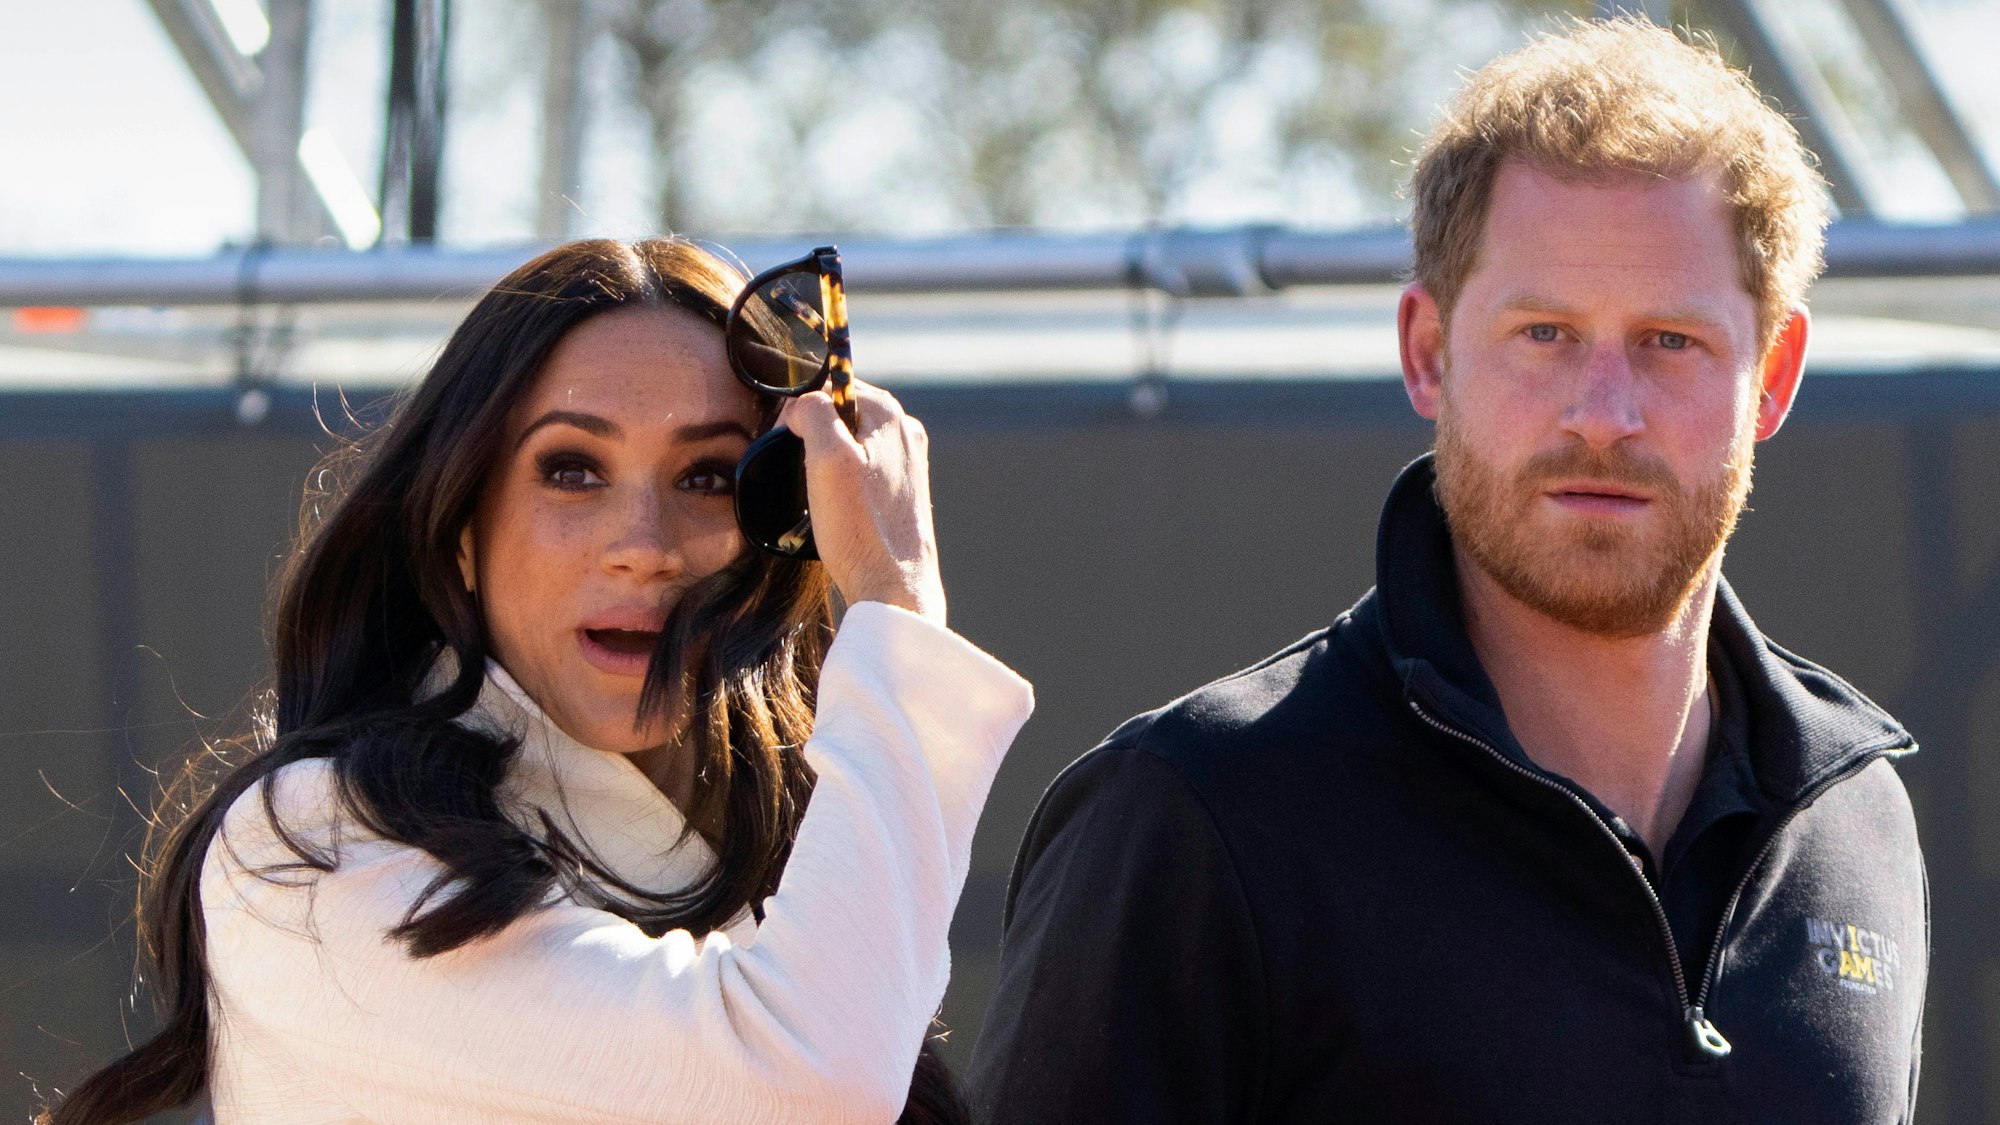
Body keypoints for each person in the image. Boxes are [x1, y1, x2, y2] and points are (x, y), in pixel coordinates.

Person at [969, 18, 1925, 1124]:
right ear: (1426, 350)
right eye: (1543, 333)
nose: (1603, 414)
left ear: (1771, 376)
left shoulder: (1857, 823)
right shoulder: (1197, 817)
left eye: (1669, 340)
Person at [45, 238, 1033, 1125]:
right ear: (461, 529)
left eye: (704, 478)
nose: (641, 548)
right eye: (571, 470)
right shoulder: (316, 844)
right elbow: (802, 1086)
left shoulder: (800, 867)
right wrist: (896, 612)